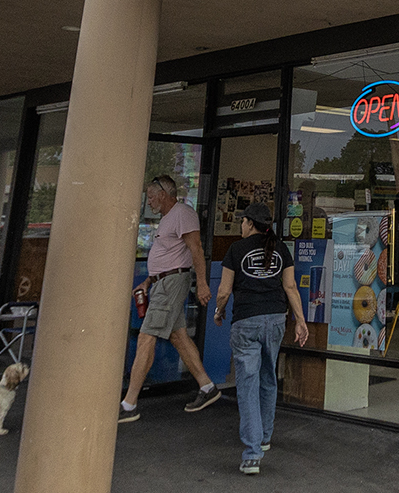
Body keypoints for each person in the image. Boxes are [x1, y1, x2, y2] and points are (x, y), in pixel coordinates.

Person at [214, 203, 308, 475]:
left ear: (250, 223)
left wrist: (219, 311)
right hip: (276, 319)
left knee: (247, 383)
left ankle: (252, 453)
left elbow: (223, 290)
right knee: (268, 377)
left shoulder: (236, 250)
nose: (240, 226)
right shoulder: (281, 248)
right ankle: (264, 437)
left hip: (246, 321)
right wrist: (300, 321)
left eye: (242, 221)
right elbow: (289, 287)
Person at [120, 175, 218, 422]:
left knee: (146, 337)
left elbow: (196, 249)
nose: (149, 202)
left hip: (172, 284)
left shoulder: (182, 213)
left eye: (151, 196)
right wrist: (149, 280)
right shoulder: (167, 219)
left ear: (163, 194)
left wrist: (203, 284)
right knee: (178, 336)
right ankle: (207, 387)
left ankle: (128, 404)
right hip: (163, 282)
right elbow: (169, 256)